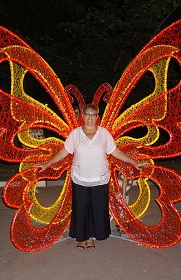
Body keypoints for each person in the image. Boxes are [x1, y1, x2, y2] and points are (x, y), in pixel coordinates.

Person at [36, 103, 145, 251]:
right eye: (87, 114)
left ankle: (91, 238)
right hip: (80, 178)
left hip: (100, 179)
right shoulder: (75, 134)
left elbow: (116, 152)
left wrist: (134, 162)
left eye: (93, 115)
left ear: (97, 117)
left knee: (97, 209)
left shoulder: (104, 133)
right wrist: (47, 164)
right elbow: (63, 152)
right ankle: (82, 239)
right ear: (82, 116)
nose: (89, 118)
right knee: (81, 209)